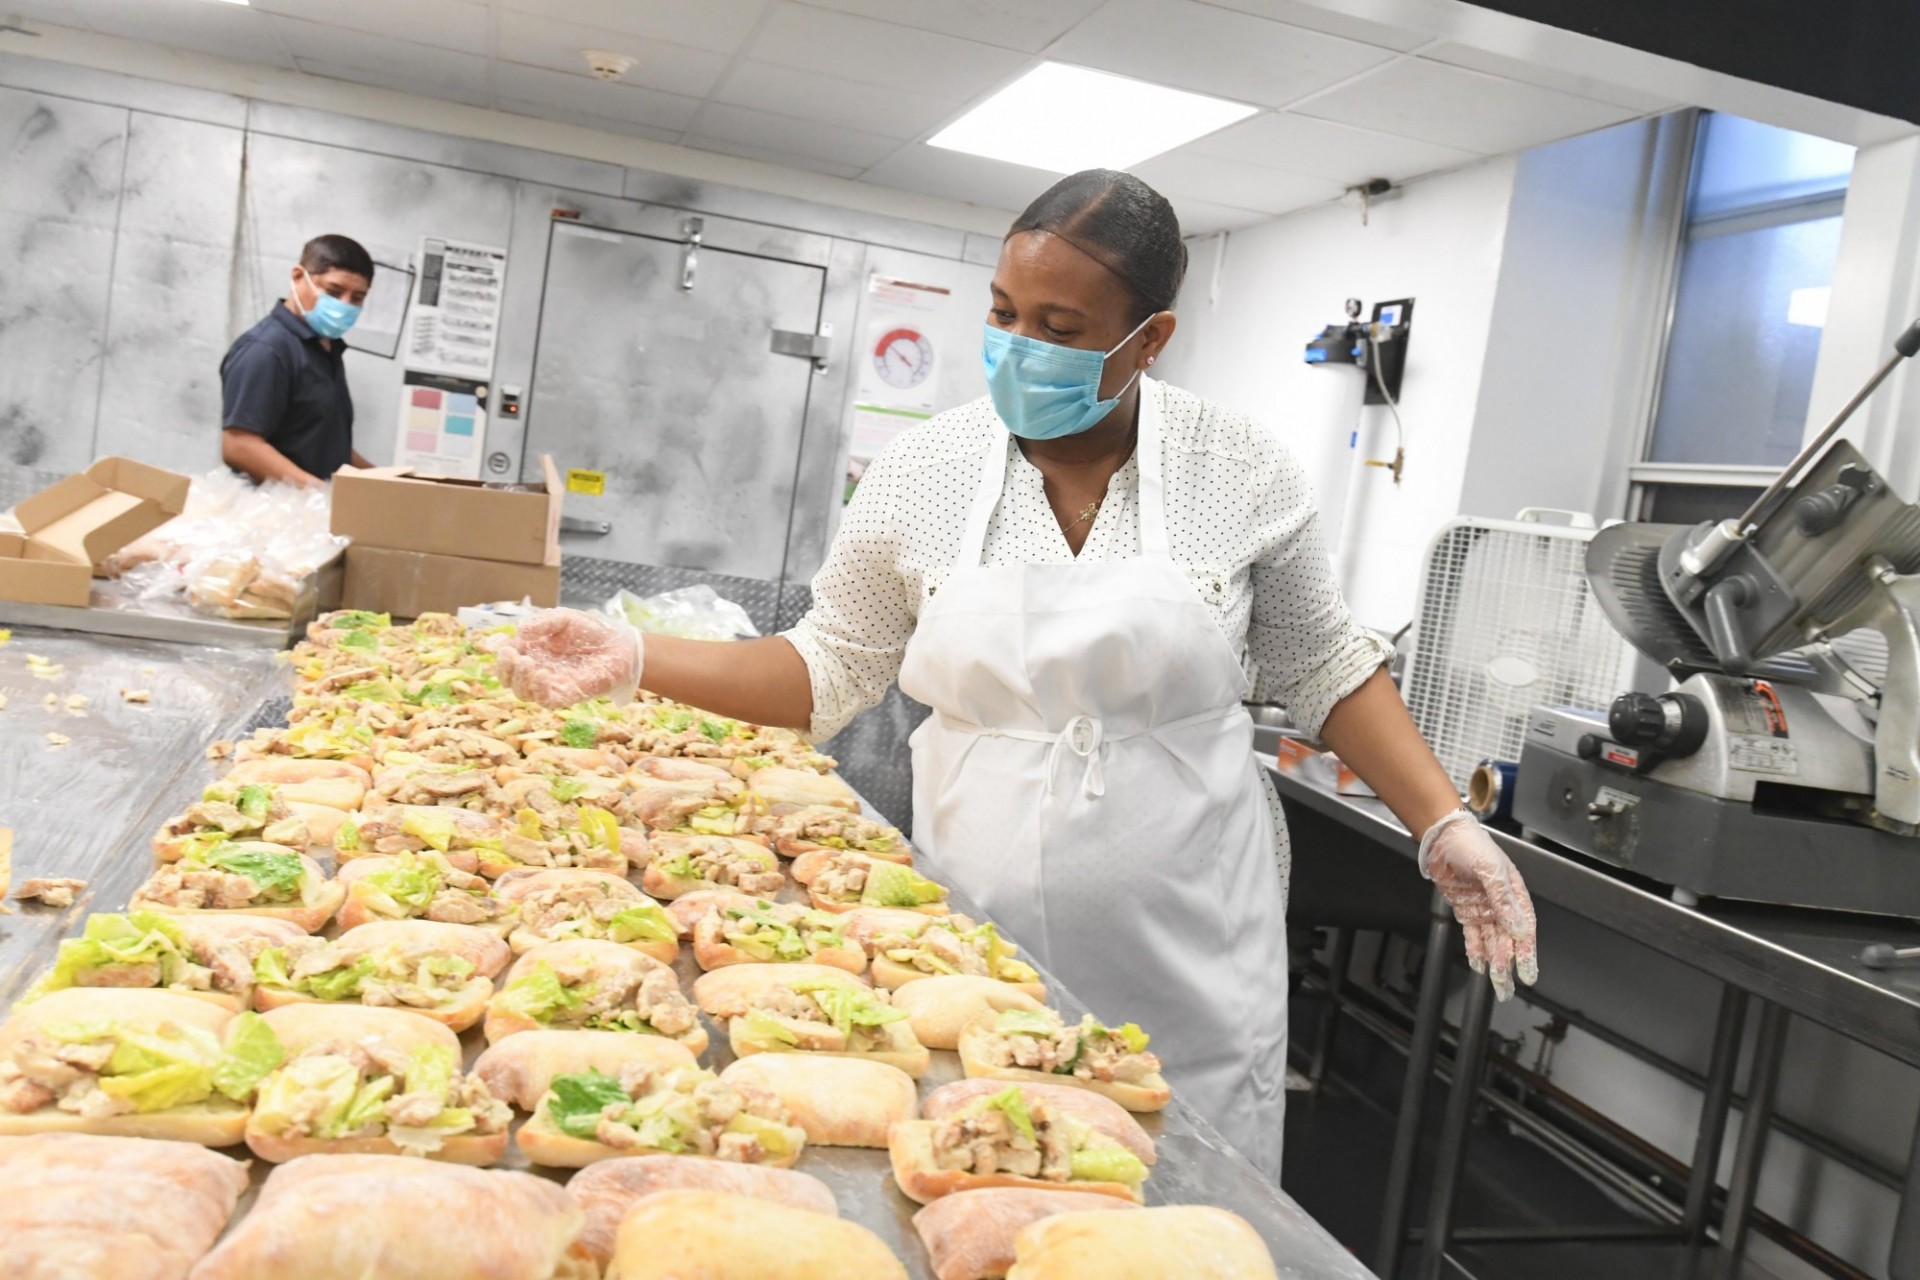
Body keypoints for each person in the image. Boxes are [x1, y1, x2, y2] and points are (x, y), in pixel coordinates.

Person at [495, 170, 1537, 1181]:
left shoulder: (1241, 467)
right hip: (974, 925)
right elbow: (827, 666)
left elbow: (1324, 661)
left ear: (1150, 339)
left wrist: (1443, 821)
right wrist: (635, 657)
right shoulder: (927, 469)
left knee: (1181, 1208)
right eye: (1004, 313)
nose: (1019, 349)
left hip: (1192, 937)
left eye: (1062, 328)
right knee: (990, 1173)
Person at [219, 234, 376, 487]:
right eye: (334, 292)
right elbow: (239, 445)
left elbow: (326, 443)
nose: (344, 305)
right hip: (273, 515)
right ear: (297, 277)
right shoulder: (266, 350)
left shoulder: (325, 349)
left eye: (357, 298)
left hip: (312, 515)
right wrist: (320, 494)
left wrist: (387, 482)